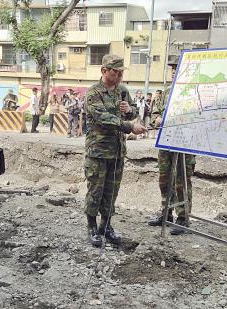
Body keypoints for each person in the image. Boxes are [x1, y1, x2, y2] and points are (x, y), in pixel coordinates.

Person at [84, 54, 147, 247]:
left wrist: (129, 111)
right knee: (96, 189)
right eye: (116, 72)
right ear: (104, 71)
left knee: (112, 190)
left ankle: (106, 226)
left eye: (121, 73)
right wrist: (129, 126)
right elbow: (103, 118)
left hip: (118, 151)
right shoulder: (94, 93)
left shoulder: (122, 91)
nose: (119, 76)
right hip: (99, 151)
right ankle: (92, 227)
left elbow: (135, 110)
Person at [147, 64, 196, 235]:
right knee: (164, 179)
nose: (174, 70)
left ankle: (183, 218)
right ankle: (166, 214)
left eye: (178, 67)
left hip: (184, 142)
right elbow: (154, 113)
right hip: (166, 142)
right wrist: (157, 118)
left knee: (182, 181)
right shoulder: (166, 91)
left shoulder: (193, 91)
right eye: (172, 68)